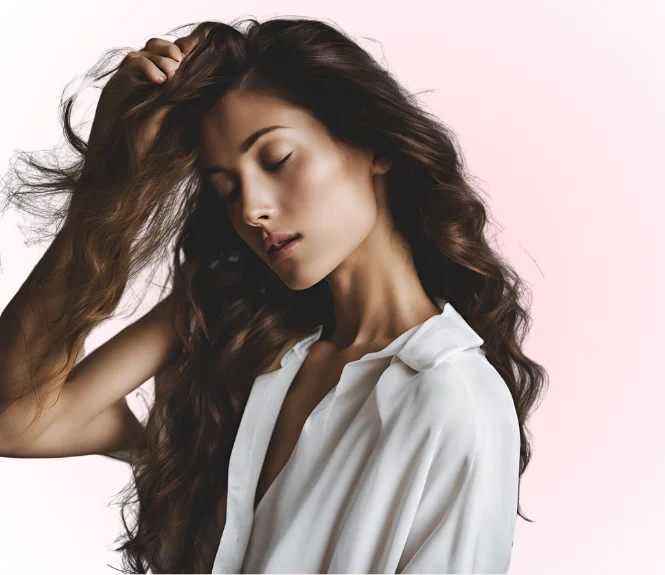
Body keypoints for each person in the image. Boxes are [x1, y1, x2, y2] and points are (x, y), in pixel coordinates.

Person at [0, 16, 547, 574]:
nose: (250, 209)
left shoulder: (452, 401)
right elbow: (14, 421)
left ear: (375, 144)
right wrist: (109, 175)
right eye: (225, 186)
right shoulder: (227, 331)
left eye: (277, 159)